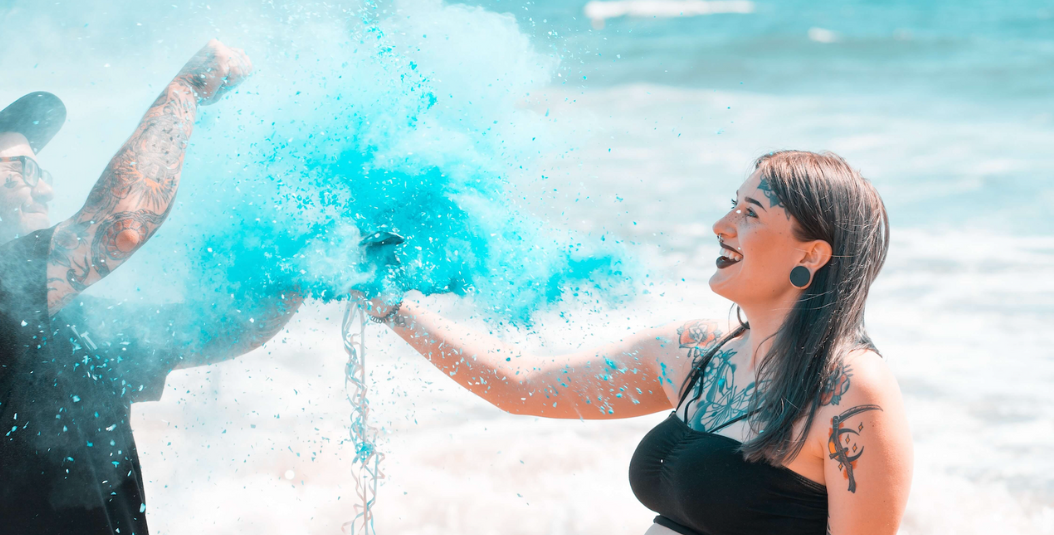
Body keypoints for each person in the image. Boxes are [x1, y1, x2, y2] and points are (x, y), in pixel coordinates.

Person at [363, 151, 912, 534]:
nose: (721, 225)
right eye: (732, 205)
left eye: (749, 214)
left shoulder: (849, 391)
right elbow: (522, 388)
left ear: (809, 255)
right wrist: (392, 306)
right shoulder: (696, 353)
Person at [0, 40, 295, 534]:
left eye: (42, 170)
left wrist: (311, 267)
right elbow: (119, 225)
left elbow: (215, 329)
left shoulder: (65, 321)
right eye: (21, 168)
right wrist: (186, 91)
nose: (46, 187)